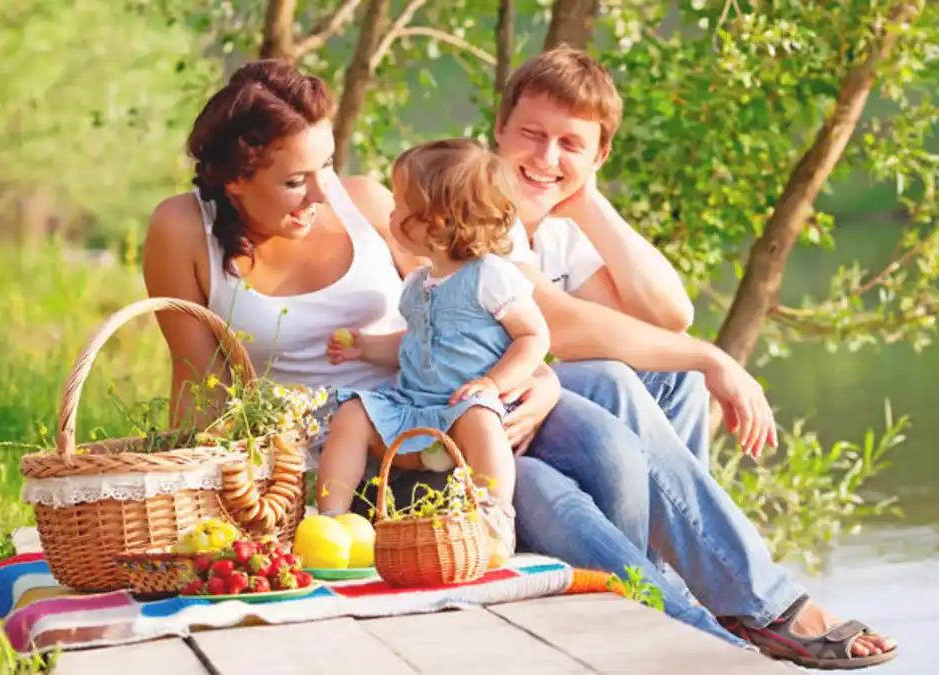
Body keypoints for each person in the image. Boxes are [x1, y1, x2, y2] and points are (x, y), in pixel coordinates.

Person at [141, 58, 893, 667]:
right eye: (294, 179)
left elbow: (541, 315)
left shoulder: (369, 202)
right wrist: (219, 504)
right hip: (365, 452)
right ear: (236, 175)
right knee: (541, 489)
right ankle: (704, 632)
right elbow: (199, 386)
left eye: (326, 165)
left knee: (610, 404)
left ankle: (767, 605)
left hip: (445, 400)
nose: (318, 192)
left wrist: (702, 359)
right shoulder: (184, 229)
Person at [487, 47, 896, 669]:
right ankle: (762, 601)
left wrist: (590, 201)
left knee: (667, 373)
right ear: (500, 130)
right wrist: (711, 356)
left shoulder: (559, 226)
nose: (546, 159)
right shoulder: (476, 205)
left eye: (571, 144)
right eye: (531, 135)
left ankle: (701, 582)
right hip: (488, 421)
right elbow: (559, 326)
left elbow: (665, 314)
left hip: (554, 426)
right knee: (609, 377)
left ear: (600, 156)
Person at [318, 138, 556, 561]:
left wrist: (491, 383)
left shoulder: (490, 277)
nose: (389, 213)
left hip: (461, 409)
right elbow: (414, 345)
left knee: (481, 417)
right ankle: (330, 522)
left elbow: (534, 337)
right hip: (414, 406)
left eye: (398, 206)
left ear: (435, 221)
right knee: (353, 413)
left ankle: (493, 519)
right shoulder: (417, 285)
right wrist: (366, 349)